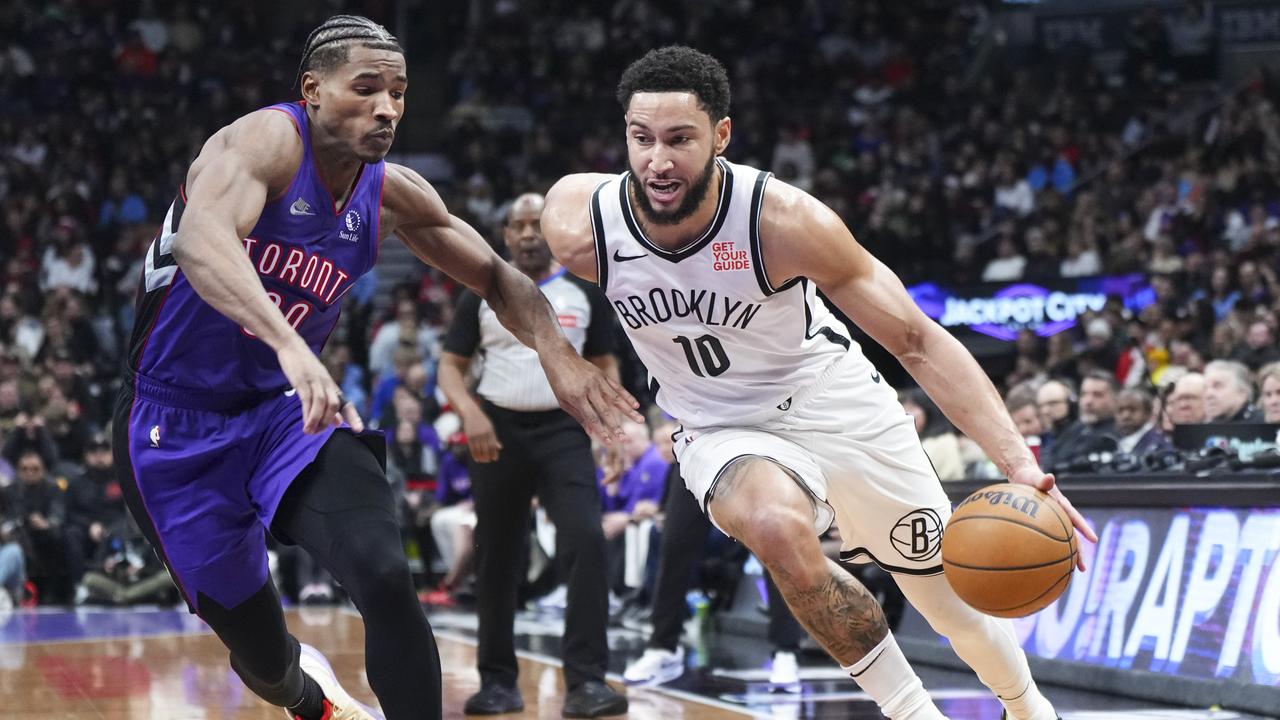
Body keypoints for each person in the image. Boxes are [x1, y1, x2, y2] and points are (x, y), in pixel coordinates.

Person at [541, 46, 1095, 720]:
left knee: (951, 601)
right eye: (641, 137)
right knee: (779, 529)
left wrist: (1018, 462)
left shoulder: (782, 223)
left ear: (721, 136)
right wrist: (556, 352)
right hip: (720, 428)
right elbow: (503, 282)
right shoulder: (581, 222)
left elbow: (916, 341)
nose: (658, 160)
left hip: (834, 401)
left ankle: (1028, 706)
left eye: (680, 139)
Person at [111, 18, 639, 720]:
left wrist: (560, 357)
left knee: (386, 574)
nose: (387, 108)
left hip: (284, 413)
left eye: (398, 92)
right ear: (313, 92)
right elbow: (202, 240)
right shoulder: (263, 142)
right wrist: (289, 342)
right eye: (366, 89)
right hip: (172, 427)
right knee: (265, 663)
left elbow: (498, 276)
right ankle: (310, 698)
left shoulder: (392, 194)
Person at [436, 193, 630, 718]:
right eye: (517, 224)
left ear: (553, 231)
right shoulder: (481, 293)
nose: (526, 234)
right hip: (496, 429)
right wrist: (470, 414)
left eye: (535, 224)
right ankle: (497, 682)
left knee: (586, 540)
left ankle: (587, 683)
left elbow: (604, 363)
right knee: (498, 555)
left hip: (564, 429)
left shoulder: (585, 294)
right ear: (504, 237)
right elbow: (450, 367)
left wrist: (611, 431)